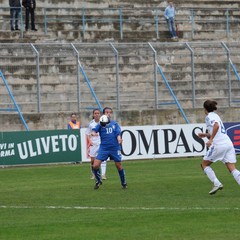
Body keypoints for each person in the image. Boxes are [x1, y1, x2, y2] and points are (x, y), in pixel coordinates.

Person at [198, 100, 240, 195]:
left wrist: (211, 139)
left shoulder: (209, 116)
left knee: (204, 164)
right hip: (228, 144)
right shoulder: (216, 115)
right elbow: (217, 129)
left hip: (219, 145)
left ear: (205, 109)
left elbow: (216, 126)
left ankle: (217, 183)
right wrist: (205, 135)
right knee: (232, 168)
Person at [91, 107, 127, 190]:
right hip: (104, 148)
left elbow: (118, 134)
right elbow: (94, 130)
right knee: (95, 165)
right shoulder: (100, 124)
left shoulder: (115, 124)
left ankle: (123, 183)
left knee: (118, 165)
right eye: (106, 112)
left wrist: (119, 139)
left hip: (114, 148)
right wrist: (93, 133)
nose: (108, 114)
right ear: (103, 114)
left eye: (110, 112)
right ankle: (99, 180)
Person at [85, 109, 107, 180]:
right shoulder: (91, 124)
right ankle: (94, 174)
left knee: (103, 159)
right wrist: (90, 141)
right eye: (95, 113)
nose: (97, 114)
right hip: (93, 144)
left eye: (98, 113)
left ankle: (103, 175)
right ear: (93, 115)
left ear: (100, 115)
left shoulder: (103, 123)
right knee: (93, 160)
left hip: (102, 143)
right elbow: (87, 134)